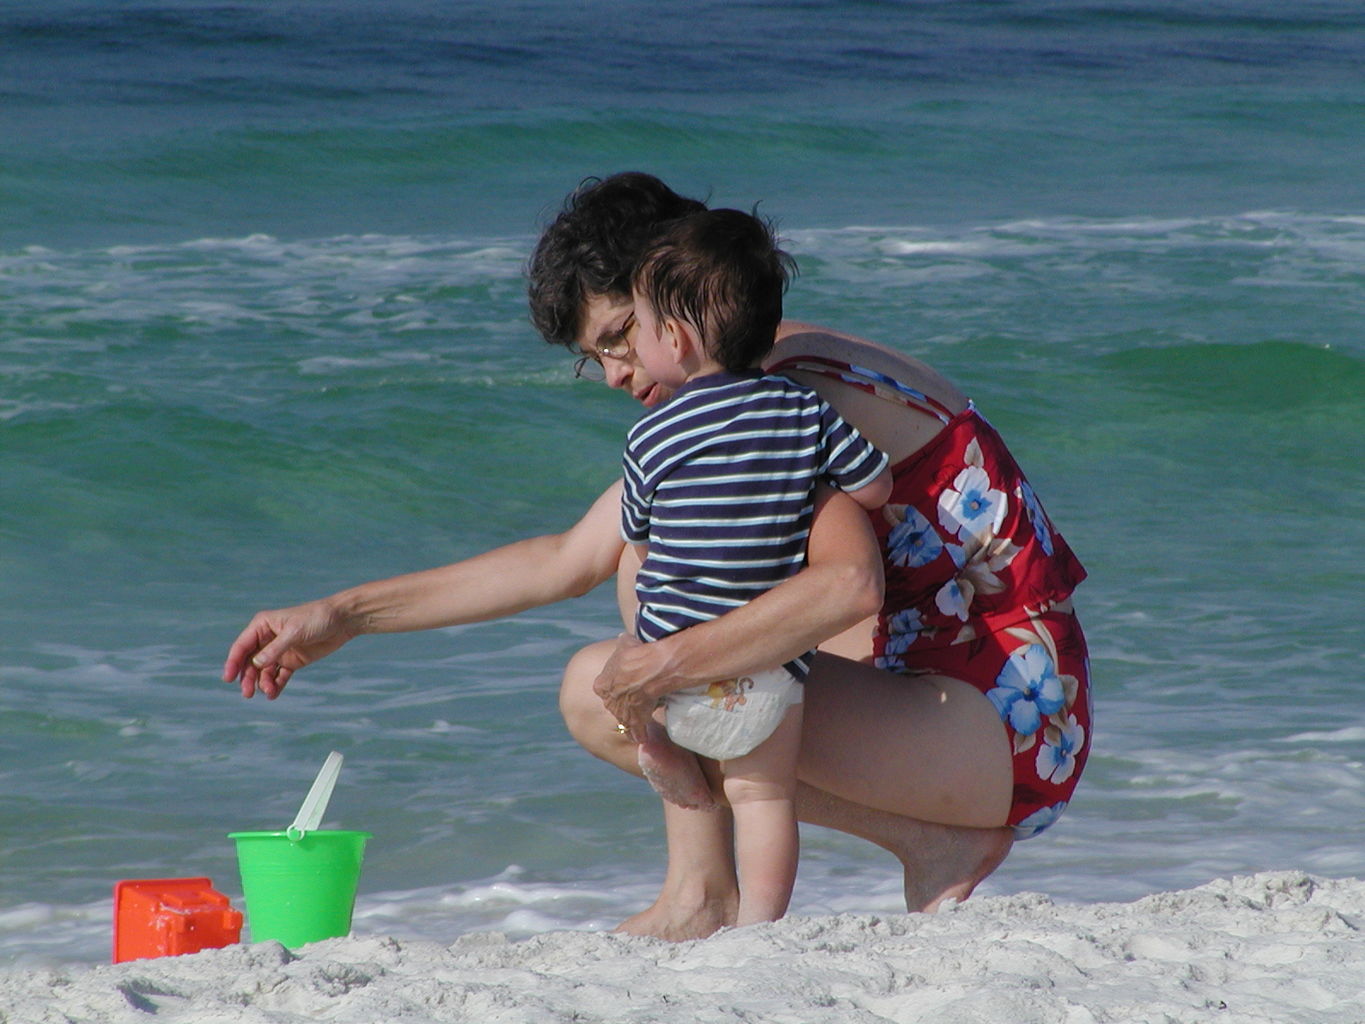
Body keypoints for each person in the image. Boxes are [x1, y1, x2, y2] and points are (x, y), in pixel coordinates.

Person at [225, 172, 1093, 942]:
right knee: (619, 657)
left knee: (631, 632)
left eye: (613, 338)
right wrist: (342, 616)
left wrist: (664, 664)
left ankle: (703, 892)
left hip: (1004, 715)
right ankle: (916, 843)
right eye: (590, 358)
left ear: (668, 292)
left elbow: (848, 583)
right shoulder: (744, 389)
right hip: (959, 702)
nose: (609, 373)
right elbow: (562, 559)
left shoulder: (788, 393)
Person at [619, 208, 892, 925]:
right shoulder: (802, 409)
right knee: (766, 798)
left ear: (671, 341)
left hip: (673, 656)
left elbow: (637, 534)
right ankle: (758, 930)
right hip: (765, 660)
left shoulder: (651, 433)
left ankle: (659, 747)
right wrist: (816, 491)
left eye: (637, 330)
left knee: (629, 649)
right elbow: (874, 487)